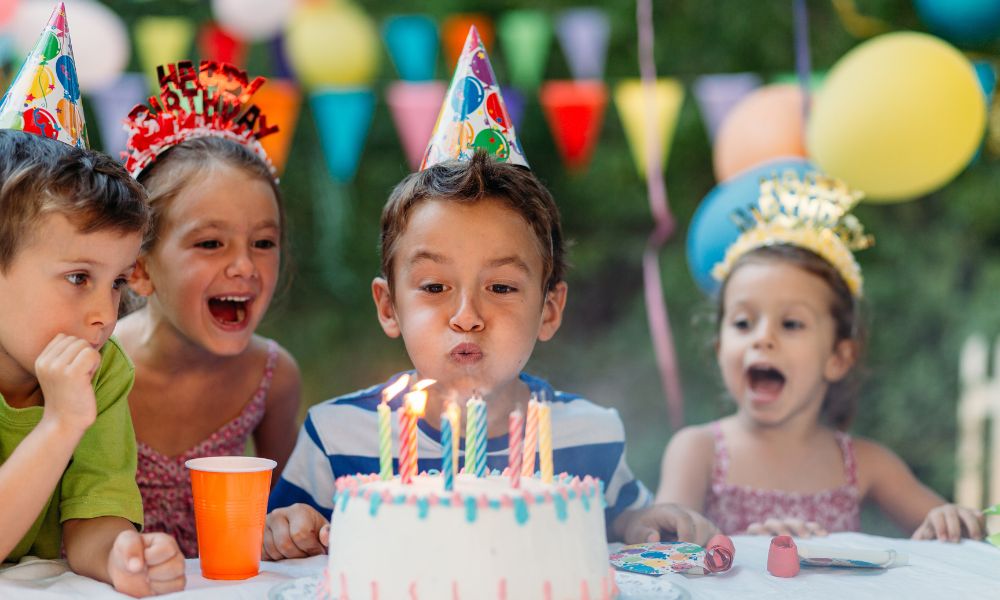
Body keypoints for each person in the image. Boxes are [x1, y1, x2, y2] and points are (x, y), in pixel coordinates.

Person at [656, 171, 984, 542]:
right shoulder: (698, 452)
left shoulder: (865, 464)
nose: (762, 338)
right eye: (744, 322)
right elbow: (664, 551)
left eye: (792, 324)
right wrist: (746, 549)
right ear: (719, 349)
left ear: (838, 357)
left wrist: (947, 519)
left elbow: (959, 535)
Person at [114, 60, 301, 558]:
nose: (244, 265)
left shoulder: (273, 377)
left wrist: (293, 525)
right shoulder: (92, 370)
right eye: (211, 243)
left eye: (263, 242)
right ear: (139, 268)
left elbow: (280, 514)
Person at [0, 129, 185, 596]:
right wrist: (59, 425)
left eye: (117, 281)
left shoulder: (102, 370)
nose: (105, 314)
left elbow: (93, 515)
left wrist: (120, 556)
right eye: (79, 277)